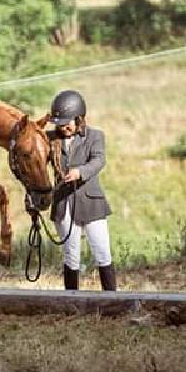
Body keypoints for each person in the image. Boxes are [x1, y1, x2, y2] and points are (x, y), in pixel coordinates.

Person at [47, 89, 117, 291]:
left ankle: (111, 298)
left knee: (102, 251)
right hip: (63, 203)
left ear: (79, 118)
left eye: (67, 123)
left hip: (91, 202)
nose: (63, 128)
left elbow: (98, 160)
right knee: (71, 255)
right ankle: (72, 299)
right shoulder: (50, 138)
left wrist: (80, 172)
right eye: (59, 125)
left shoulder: (95, 136)